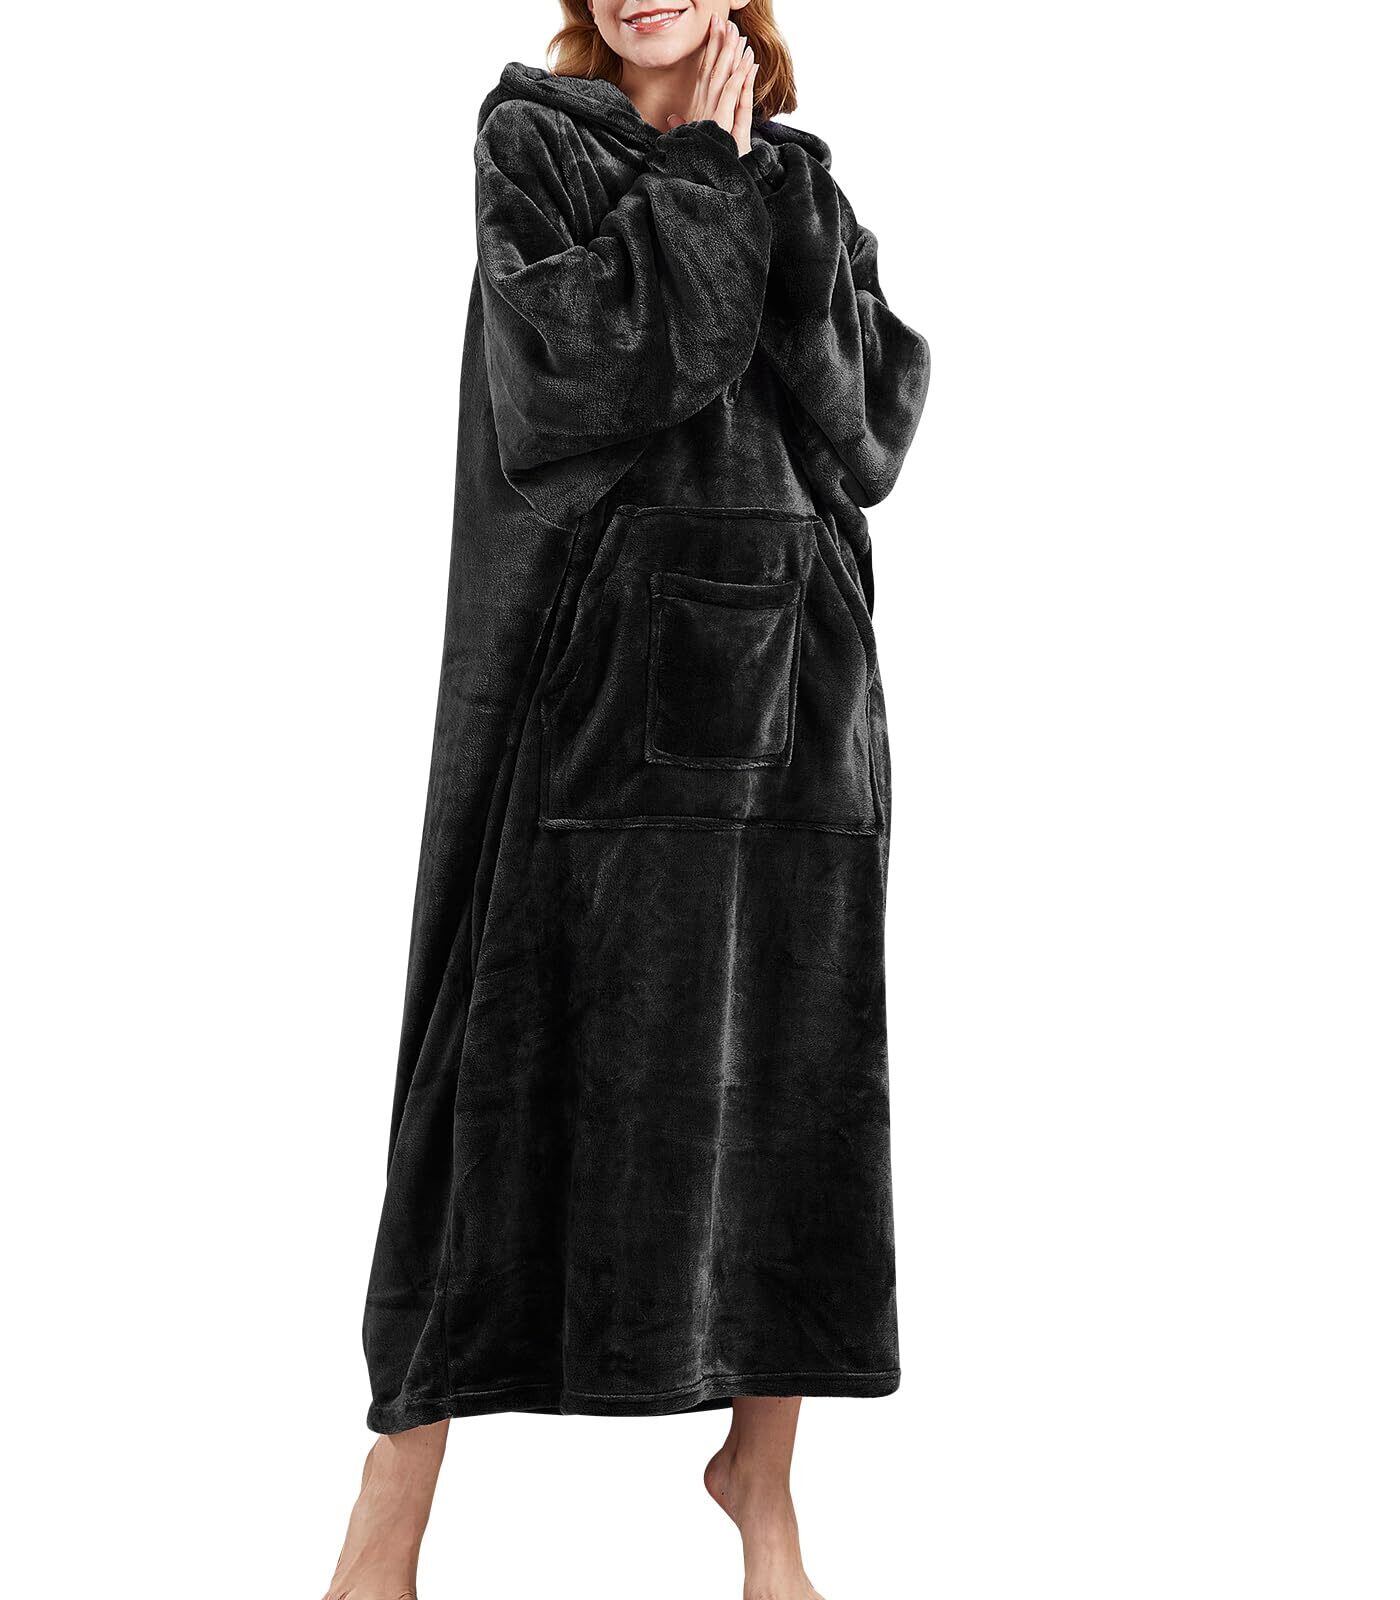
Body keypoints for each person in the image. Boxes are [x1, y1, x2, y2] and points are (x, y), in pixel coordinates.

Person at [325, 4, 929, 1596]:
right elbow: (571, 383)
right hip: (587, 691)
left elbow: (868, 429)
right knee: (484, 1070)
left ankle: (763, 1484)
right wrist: (702, 181)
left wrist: (756, 182)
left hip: (796, 699)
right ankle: (390, 1509)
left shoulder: (804, 176)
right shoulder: (535, 144)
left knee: (794, 1077)